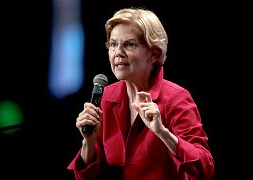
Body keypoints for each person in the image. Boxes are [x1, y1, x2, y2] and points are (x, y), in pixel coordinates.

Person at [67, 7, 215, 180]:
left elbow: (204, 169)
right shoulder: (107, 96)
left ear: (154, 54)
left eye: (129, 44)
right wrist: (89, 142)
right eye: (113, 44)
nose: (118, 53)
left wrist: (163, 133)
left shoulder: (176, 98)